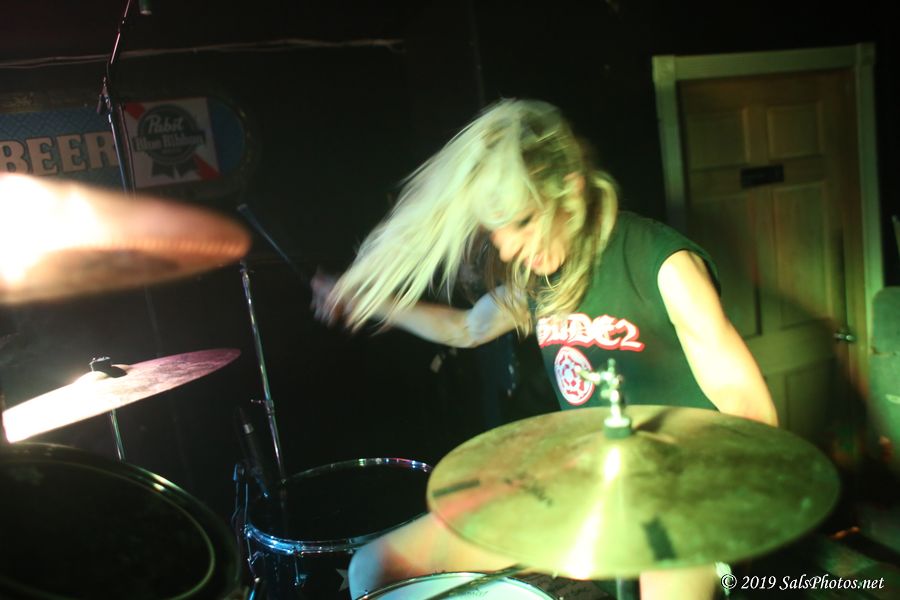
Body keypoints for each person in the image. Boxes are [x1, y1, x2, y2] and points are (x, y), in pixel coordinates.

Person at [311, 99, 778, 599]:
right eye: (497, 231)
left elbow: (752, 411)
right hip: (588, 487)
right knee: (373, 567)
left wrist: (724, 515)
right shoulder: (537, 283)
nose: (506, 248)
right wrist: (372, 302)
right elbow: (464, 328)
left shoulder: (664, 265)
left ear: (570, 191)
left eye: (522, 222)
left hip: (687, 500)